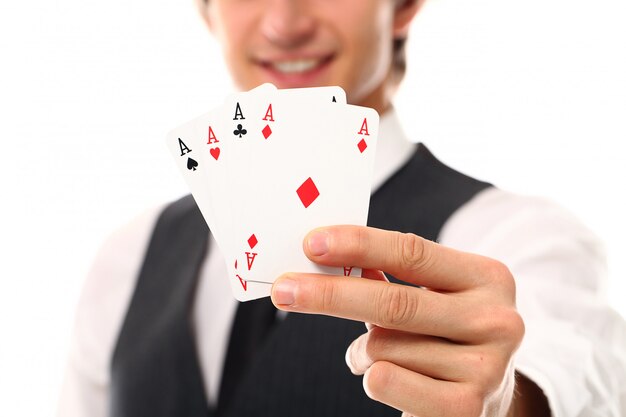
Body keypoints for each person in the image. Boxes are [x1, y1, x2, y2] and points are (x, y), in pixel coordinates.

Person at [58, 0, 626, 416]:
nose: (285, 24)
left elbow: (573, 370)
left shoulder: (519, 237)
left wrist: (507, 401)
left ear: (402, 7)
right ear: (206, 11)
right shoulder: (128, 255)